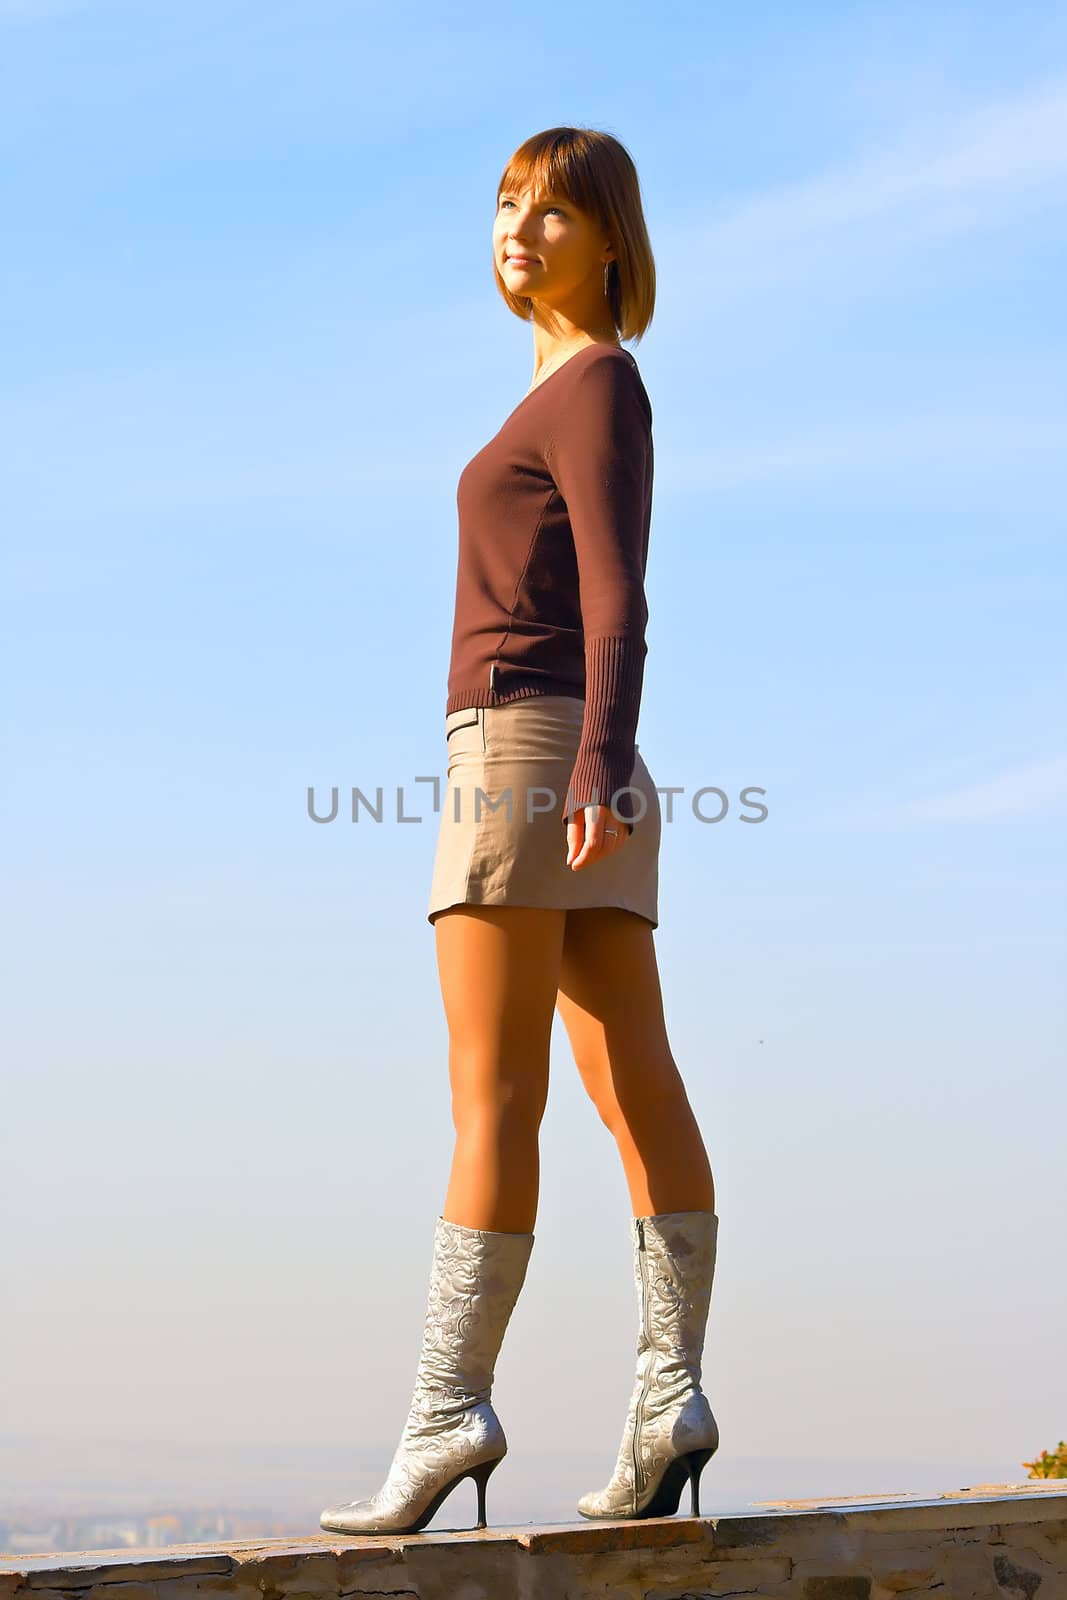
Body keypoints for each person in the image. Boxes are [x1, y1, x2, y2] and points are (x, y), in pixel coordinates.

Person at [319, 125, 720, 1537]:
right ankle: (670, 1400)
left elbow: (620, 597)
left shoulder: (597, 384)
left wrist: (598, 761)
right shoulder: (562, 388)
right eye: (505, 204)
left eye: (553, 212)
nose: (518, 230)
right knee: (630, 1085)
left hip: (526, 750)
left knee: (495, 1097)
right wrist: (603, 758)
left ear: (613, 241)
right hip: (571, 749)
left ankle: (446, 1414)